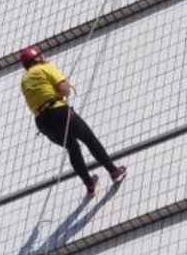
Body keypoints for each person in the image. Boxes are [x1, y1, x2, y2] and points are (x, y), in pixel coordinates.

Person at [18, 46, 126, 197]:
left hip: (42, 122)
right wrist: (64, 90)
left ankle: (89, 185)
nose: (44, 56)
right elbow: (64, 89)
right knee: (89, 139)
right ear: (36, 59)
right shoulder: (44, 68)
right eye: (41, 55)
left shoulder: (24, 80)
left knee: (72, 148)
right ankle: (113, 171)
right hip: (58, 111)